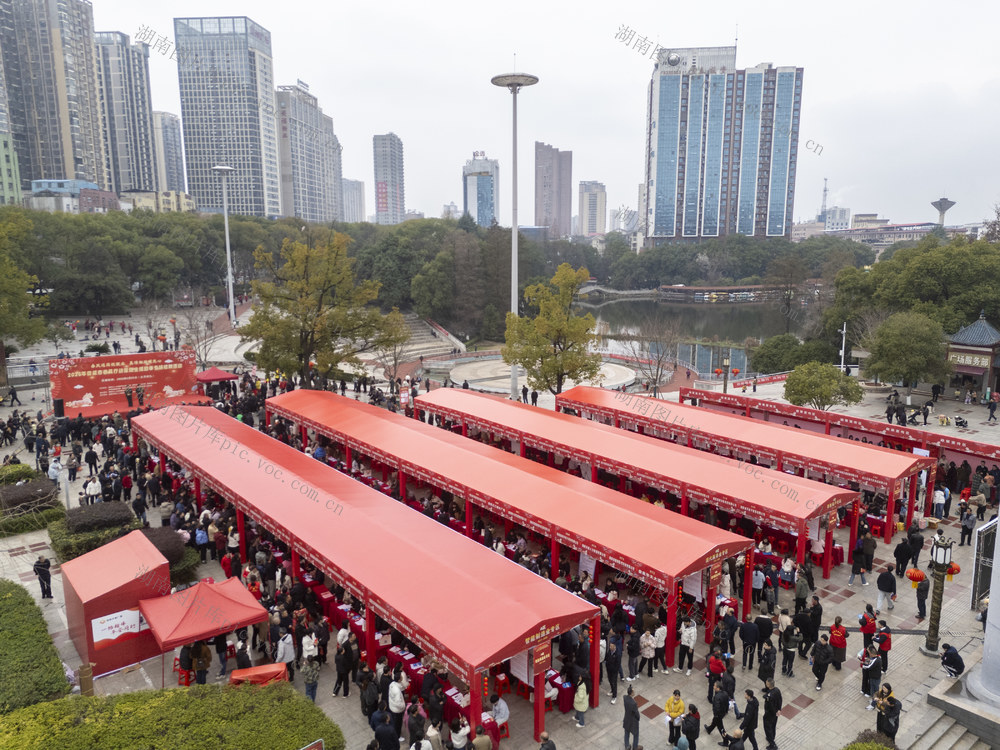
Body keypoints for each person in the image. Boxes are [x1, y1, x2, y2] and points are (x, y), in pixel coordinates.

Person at [762, 679, 782, 750]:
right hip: (775, 713)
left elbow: (770, 706)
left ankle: (772, 744)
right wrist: (779, 709)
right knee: (773, 726)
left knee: (767, 728)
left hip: (769, 714)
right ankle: (772, 737)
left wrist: (774, 712)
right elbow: (780, 700)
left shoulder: (770, 696)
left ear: (768, 685)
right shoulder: (777, 690)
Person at [623, 684, 640, 750]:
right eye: (633, 691)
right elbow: (636, 713)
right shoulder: (633, 703)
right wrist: (638, 718)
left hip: (627, 718)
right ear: (631, 693)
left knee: (626, 732)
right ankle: (635, 747)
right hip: (633, 721)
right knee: (636, 734)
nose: (634, 692)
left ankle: (627, 746)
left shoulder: (624, 697)